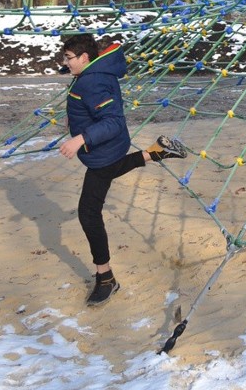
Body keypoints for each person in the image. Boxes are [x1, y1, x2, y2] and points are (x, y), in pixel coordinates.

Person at [58, 33, 186, 305]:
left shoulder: (93, 81)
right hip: (107, 150)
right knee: (111, 169)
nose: (65, 62)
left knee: (88, 213)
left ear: (84, 58)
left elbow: (113, 121)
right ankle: (158, 151)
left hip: (103, 148)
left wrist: (80, 138)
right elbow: (89, 102)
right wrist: (74, 115)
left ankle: (106, 279)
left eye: (69, 58)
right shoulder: (92, 73)